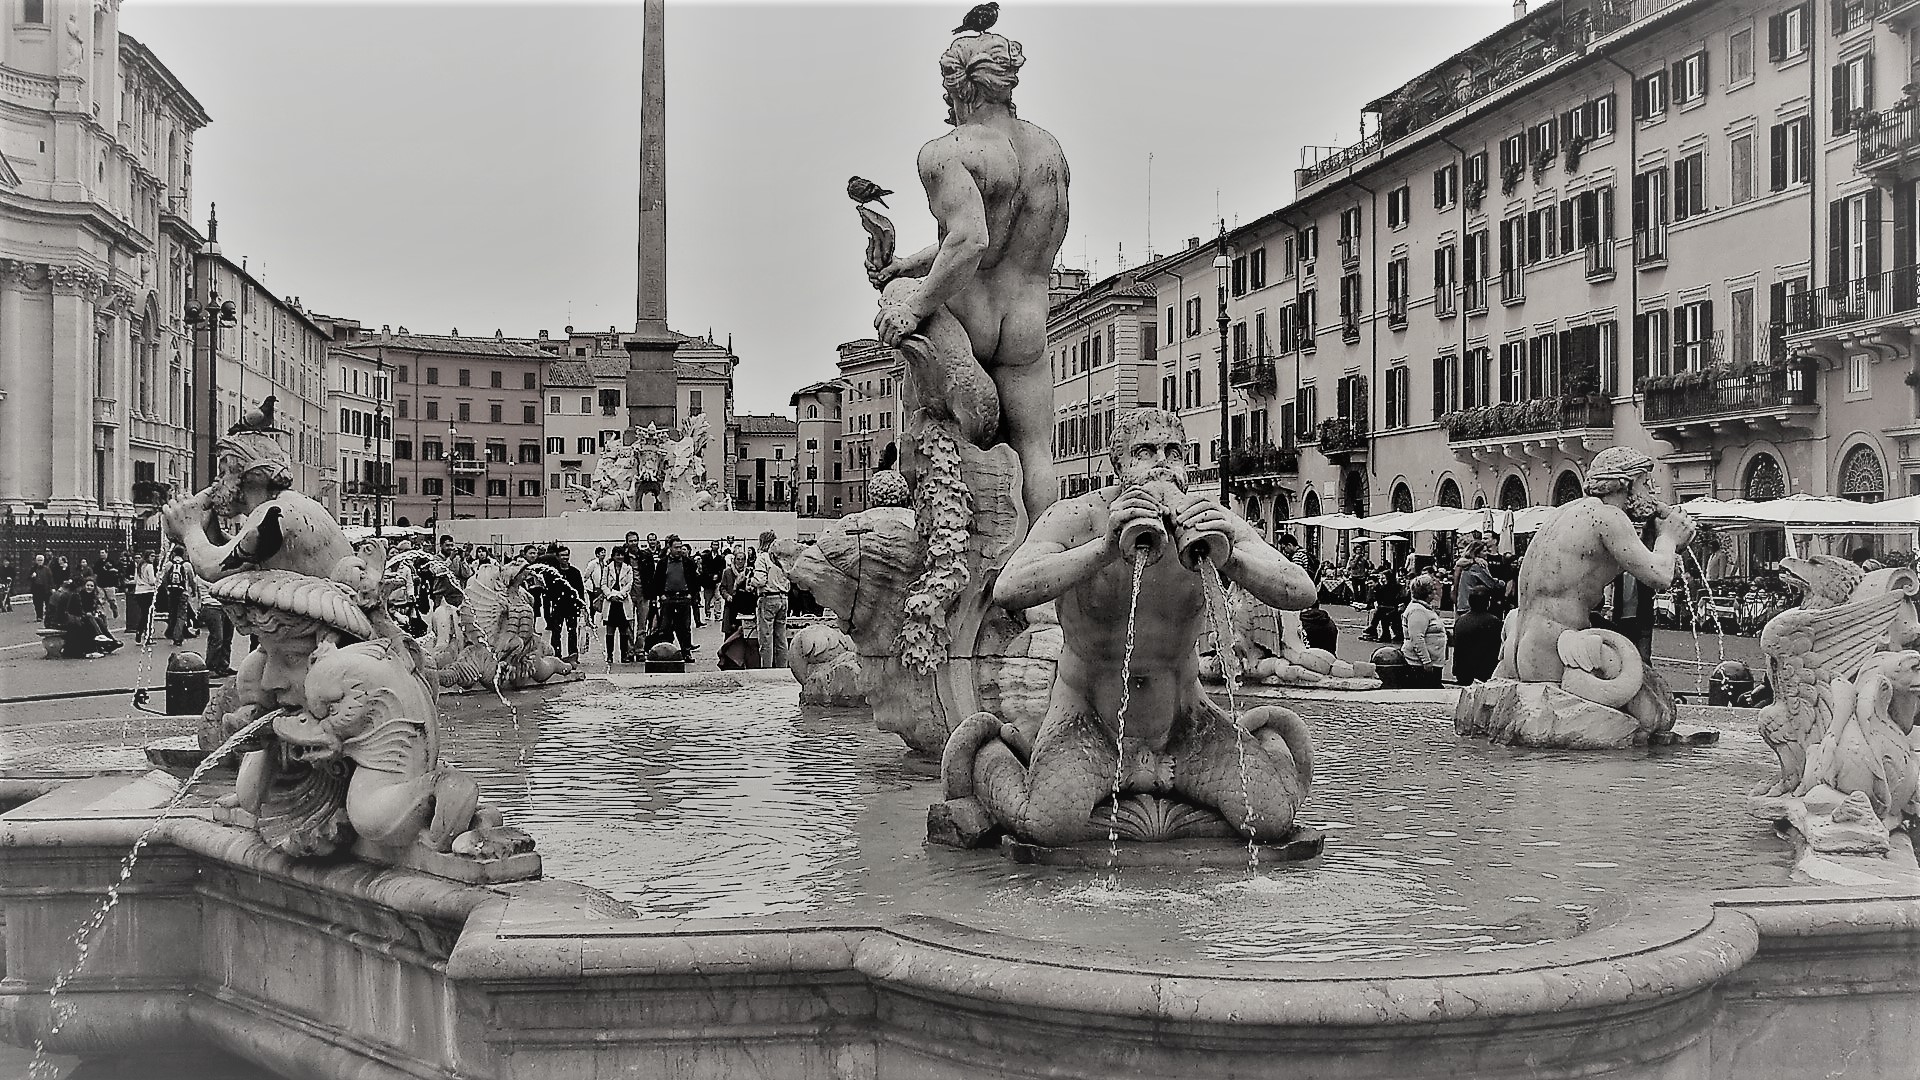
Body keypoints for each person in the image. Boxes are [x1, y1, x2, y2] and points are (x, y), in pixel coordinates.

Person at [962, 407, 1318, 844]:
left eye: (1174, 452)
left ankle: (1243, 751)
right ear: (1119, 465)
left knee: (1270, 819)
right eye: (1145, 452)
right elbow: (1009, 588)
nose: (1163, 464)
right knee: (1048, 823)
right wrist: (1104, 548)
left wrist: (1231, 557)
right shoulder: (1080, 516)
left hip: (1184, 722)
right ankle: (995, 754)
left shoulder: (1210, 521)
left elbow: (1301, 591)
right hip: (1089, 719)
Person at [868, 28, 1070, 523]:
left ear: (961, 87)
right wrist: (907, 263)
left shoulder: (946, 151)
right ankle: (1039, 577)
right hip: (1027, 325)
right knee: (1035, 455)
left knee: (934, 437)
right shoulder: (1050, 153)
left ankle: (947, 558)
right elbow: (996, 238)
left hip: (971, 318)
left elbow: (972, 240)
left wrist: (911, 300)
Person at [1498, 446, 1694, 728]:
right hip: (1559, 651)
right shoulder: (1609, 518)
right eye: (1646, 481)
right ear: (1627, 482)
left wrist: (1654, 531)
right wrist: (1670, 538)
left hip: (1521, 645)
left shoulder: (1566, 513)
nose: (1652, 489)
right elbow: (1660, 576)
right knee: (1656, 714)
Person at [651, 535, 701, 656]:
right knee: (665, 627)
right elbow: (657, 580)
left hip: (684, 597)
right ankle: (666, 652)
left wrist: (691, 595)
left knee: (685, 627)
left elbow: (695, 580)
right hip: (668, 598)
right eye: (676, 547)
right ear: (670, 548)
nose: (678, 550)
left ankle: (686, 651)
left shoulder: (688, 562)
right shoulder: (663, 563)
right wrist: (661, 595)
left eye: (680, 547)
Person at [748, 530, 790, 669]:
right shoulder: (782, 558)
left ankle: (766, 670)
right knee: (781, 637)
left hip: (768, 598)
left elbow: (760, 580)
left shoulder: (763, 557)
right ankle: (782, 668)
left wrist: (750, 581)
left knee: (766, 638)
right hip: (783, 598)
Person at [1399, 576, 1448, 688]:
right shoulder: (1417, 611)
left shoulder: (1424, 608)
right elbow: (1417, 638)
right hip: (1419, 665)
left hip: (1431, 662)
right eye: (1433, 590)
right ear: (1428, 593)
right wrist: (1426, 661)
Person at [1450, 588, 1504, 685]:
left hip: (1462, 671)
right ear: (1488, 603)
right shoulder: (1494, 622)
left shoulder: (1460, 621)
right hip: (1484, 672)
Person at [545, 545, 585, 663]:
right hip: (558, 606)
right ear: (557, 557)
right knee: (556, 632)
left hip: (572, 607)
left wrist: (581, 605)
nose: (565, 558)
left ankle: (573, 655)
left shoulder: (575, 572)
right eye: (562, 555)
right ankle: (556, 655)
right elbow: (548, 590)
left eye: (567, 555)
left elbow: (580, 590)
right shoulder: (553, 572)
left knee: (572, 632)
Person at [196, 569, 233, 675]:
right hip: (211, 607)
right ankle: (211, 667)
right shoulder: (203, 575)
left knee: (227, 638)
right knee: (217, 638)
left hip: (226, 607)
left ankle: (223, 665)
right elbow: (217, 587)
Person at [603, 550, 635, 665]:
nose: (620, 557)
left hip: (622, 601)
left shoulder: (628, 568)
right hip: (611, 602)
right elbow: (603, 584)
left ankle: (624, 655)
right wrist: (610, 595)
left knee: (624, 630)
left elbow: (629, 584)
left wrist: (620, 595)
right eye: (617, 555)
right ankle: (609, 655)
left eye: (621, 555)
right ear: (613, 556)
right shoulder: (607, 568)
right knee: (610, 630)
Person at [159, 549, 195, 646]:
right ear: (184, 554)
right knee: (181, 615)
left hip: (172, 593)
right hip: (183, 593)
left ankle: (171, 633)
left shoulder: (169, 565)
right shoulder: (187, 565)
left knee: (172, 614)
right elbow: (192, 580)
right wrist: (194, 591)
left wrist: (168, 589)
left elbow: (164, 579)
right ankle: (178, 637)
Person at [1362, 567, 1404, 643]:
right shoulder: (1383, 587)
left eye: (1383, 578)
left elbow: (1392, 599)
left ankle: (1374, 627)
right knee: (1381, 611)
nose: (1382, 579)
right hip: (1388, 607)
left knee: (1381, 610)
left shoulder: (1394, 587)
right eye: (1381, 578)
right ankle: (1382, 633)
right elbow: (1380, 599)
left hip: (1394, 607)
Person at [127, 554, 158, 643]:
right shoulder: (149, 566)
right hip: (148, 591)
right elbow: (152, 581)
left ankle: (140, 631)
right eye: (151, 556)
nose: (153, 558)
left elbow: (136, 580)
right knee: (148, 615)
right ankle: (145, 634)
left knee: (144, 613)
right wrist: (157, 580)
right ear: (147, 556)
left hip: (139, 592)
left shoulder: (139, 566)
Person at [29, 554, 55, 623]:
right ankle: (39, 616)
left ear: (43, 561)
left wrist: (52, 587)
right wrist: (32, 576)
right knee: (37, 603)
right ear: (36, 561)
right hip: (37, 588)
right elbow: (28, 578)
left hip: (45, 588)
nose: (40, 561)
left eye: (41, 560)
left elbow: (51, 579)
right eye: (38, 560)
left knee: (48, 603)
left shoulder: (47, 569)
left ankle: (48, 616)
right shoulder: (33, 568)